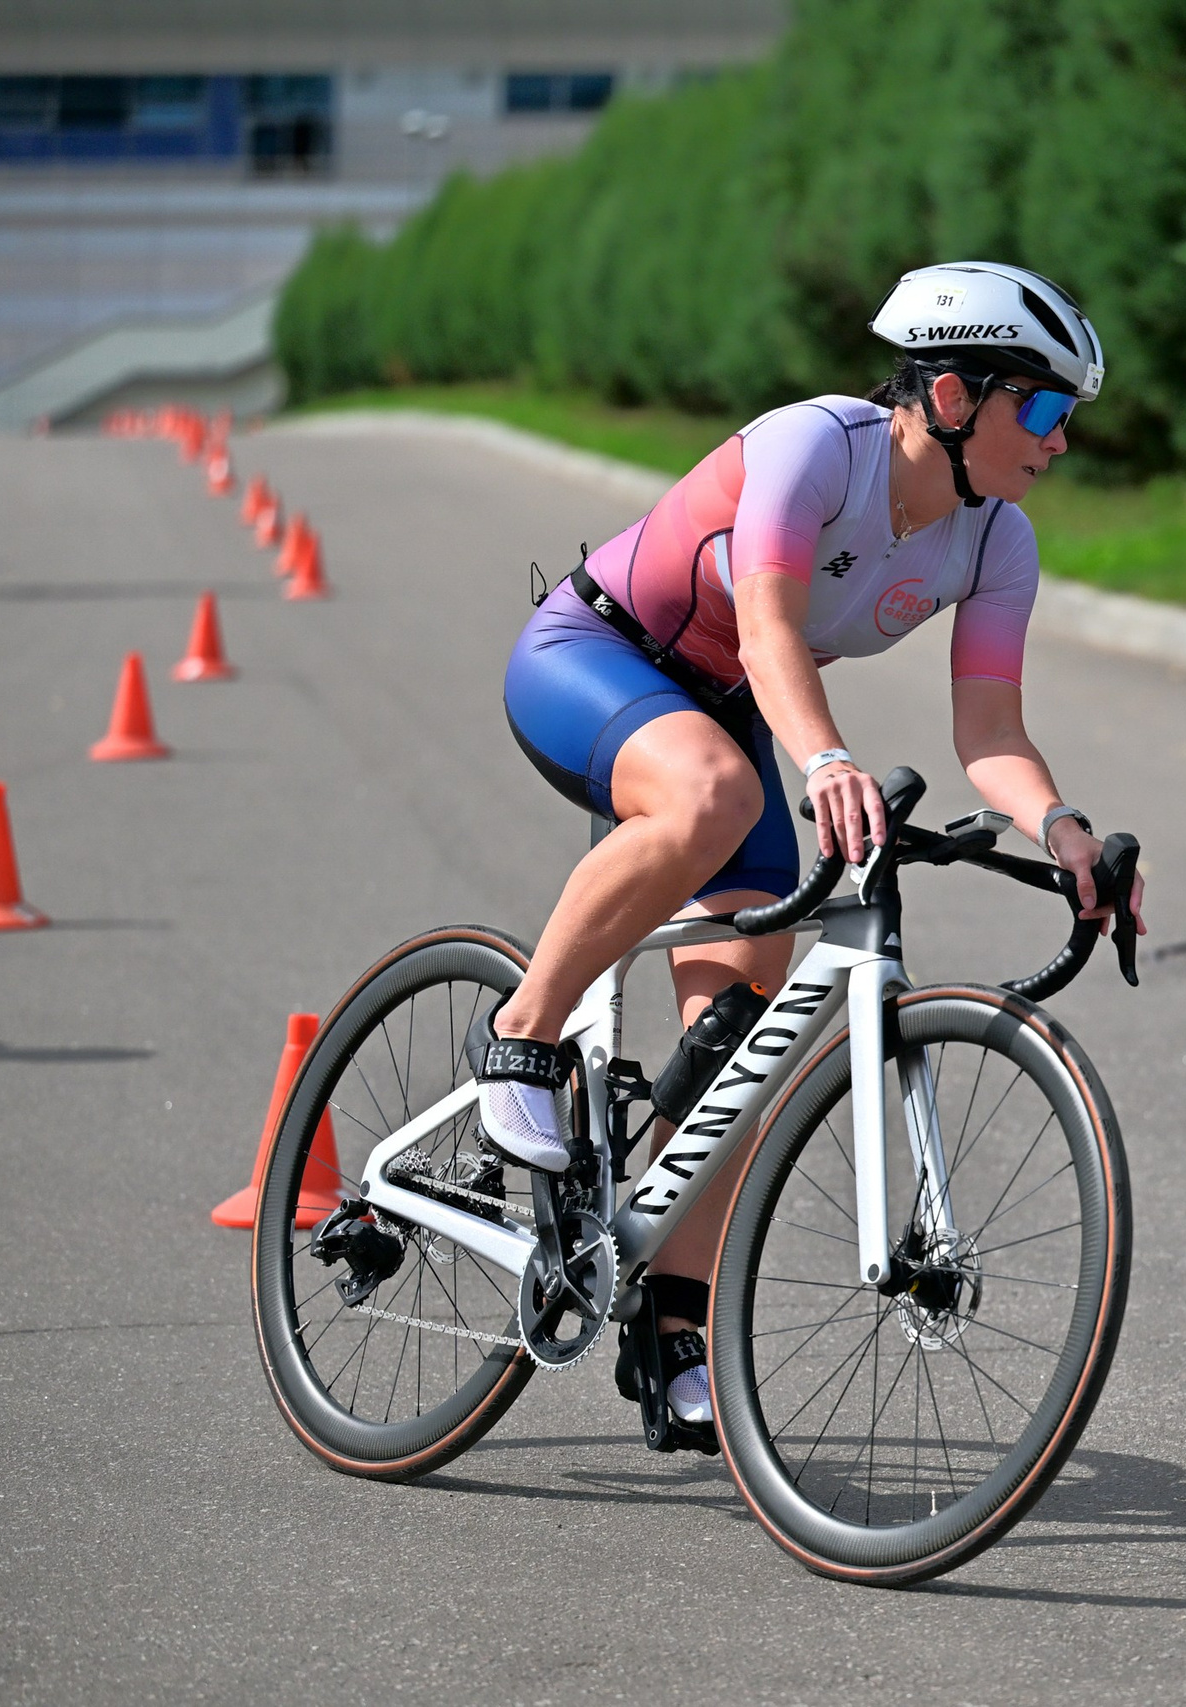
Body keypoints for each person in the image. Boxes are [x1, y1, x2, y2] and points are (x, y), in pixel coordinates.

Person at [485, 260, 1148, 1441]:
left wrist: (1059, 825)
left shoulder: (997, 543)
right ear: (952, 395)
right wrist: (827, 763)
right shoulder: (812, 449)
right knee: (708, 791)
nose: (1057, 442)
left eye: (1067, 418)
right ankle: (523, 1040)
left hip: (730, 706)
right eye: (1041, 410)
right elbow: (767, 624)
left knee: (747, 1023)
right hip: (596, 654)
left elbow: (989, 728)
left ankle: (670, 1324)